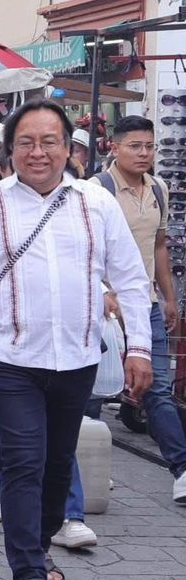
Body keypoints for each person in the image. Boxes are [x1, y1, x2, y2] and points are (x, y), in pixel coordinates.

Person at [0, 99, 151, 580]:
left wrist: (138, 347)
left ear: (69, 147)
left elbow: (128, 277)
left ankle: (37, 546)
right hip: (9, 357)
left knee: (59, 464)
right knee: (23, 461)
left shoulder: (95, 203)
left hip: (78, 356)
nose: (38, 153)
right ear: (10, 150)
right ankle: (28, 575)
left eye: (50, 142)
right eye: (27, 143)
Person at [94, 116, 186, 503]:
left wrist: (168, 297)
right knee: (94, 390)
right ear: (115, 147)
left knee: (157, 388)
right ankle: (86, 467)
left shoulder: (159, 189)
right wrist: (100, 290)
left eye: (149, 146)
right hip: (105, 306)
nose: (144, 153)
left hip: (144, 303)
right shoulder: (97, 190)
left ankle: (181, 468)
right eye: (135, 146)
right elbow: (84, 248)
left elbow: (159, 247)